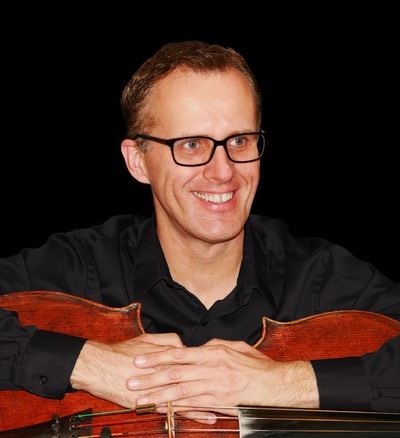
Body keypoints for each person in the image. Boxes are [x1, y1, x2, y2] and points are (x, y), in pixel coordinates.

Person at [0, 40, 399, 422]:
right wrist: (89, 364)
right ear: (138, 161)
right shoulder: (79, 267)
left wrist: (282, 383)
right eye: (191, 145)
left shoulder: (322, 277)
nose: (223, 171)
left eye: (239, 140)